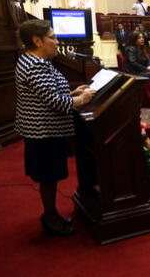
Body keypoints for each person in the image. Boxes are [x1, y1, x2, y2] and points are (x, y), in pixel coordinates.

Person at [14, 19, 96, 236]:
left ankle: (52, 215)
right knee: (48, 178)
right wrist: (83, 98)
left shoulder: (38, 61)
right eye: (53, 37)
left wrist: (74, 93)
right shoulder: (34, 65)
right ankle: (50, 219)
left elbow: (50, 95)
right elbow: (56, 103)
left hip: (46, 130)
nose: (57, 42)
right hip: (43, 132)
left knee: (50, 176)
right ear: (37, 40)